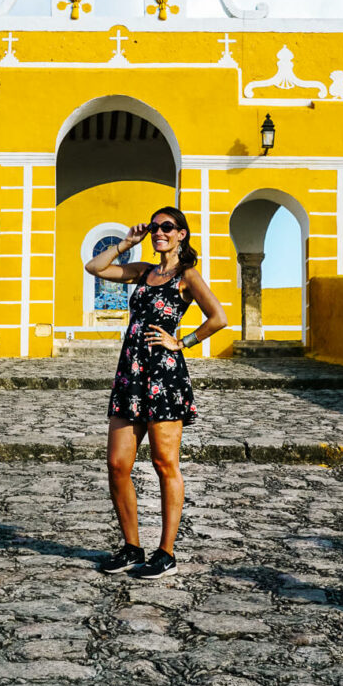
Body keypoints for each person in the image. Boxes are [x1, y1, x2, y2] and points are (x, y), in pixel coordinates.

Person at [85, 207, 227, 579]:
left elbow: (218, 317)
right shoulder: (143, 271)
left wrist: (181, 342)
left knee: (165, 464)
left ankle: (166, 552)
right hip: (131, 374)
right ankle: (132, 547)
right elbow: (94, 268)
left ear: (182, 234)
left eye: (167, 227)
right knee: (117, 464)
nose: (159, 232)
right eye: (154, 227)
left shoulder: (186, 276)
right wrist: (124, 244)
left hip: (164, 377)